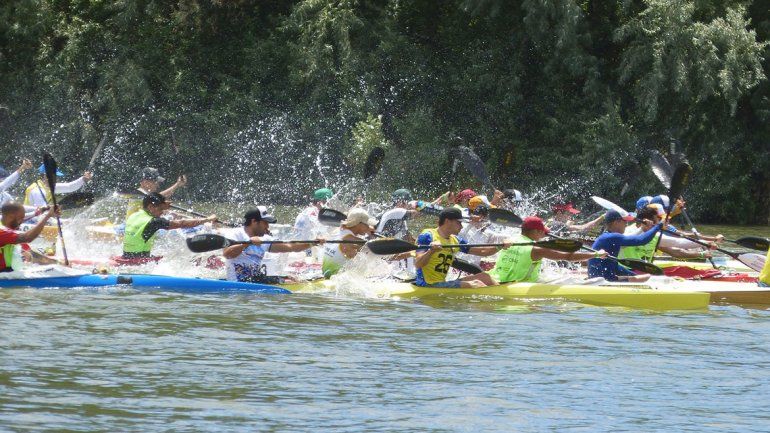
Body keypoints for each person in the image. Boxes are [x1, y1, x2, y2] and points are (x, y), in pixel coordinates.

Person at [487, 216, 606, 283]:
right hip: (518, 284)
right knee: (587, 281)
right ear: (535, 231)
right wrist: (596, 254)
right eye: (542, 232)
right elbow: (568, 256)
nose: (543, 235)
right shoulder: (537, 248)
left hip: (496, 279)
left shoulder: (509, 240)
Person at [224, 207, 323, 283]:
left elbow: (291, 247)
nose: (268, 226)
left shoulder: (265, 239)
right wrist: (247, 243)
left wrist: (313, 243)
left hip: (256, 279)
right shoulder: (235, 234)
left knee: (291, 279)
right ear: (254, 221)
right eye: (265, 223)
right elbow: (227, 254)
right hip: (238, 282)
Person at [414, 208, 502, 288]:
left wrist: (500, 246)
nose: (461, 226)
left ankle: (501, 292)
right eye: (459, 222)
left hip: (442, 282)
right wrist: (431, 251)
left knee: (484, 277)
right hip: (427, 285)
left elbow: (482, 251)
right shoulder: (427, 236)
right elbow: (418, 264)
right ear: (448, 221)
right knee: (476, 284)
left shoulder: (456, 240)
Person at [122, 193, 216, 259]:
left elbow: (152, 202)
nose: (162, 212)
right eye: (160, 209)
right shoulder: (154, 222)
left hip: (126, 256)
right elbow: (182, 223)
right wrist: (208, 219)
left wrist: (162, 205)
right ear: (150, 207)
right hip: (140, 261)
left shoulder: (134, 215)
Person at [620, 204, 716, 262]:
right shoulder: (628, 231)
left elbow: (679, 243)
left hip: (643, 272)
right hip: (625, 271)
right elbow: (623, 244)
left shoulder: (655, 235)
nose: (660, 224)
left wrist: (706, 243)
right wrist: (641, 229)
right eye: (658, 221)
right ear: (647, 221)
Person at [587, 210, 663, 282]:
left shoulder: (606, 237)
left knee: (645, 278)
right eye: (625, 221)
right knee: (650, 279)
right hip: (603, 281)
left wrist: (633, 275)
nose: (626, 224)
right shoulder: (611, 237)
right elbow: (642, 240)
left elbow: (614, 266)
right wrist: (658, 226)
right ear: (616, 222)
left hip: (604, 278)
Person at [0, 201, 60, 272]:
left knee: (28, 255)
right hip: (3, 274)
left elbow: (32, 254)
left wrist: (58, 263)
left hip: (7, 271)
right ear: (11, 217)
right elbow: (27, 238)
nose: (22, 221)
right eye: (21, 218)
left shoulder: (10, 231)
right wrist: (48, 216)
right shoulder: (3, 232)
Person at [322, 208, 375, 278]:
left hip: (325, 273)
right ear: (359, 224)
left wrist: (366, 229)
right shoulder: (353, 241)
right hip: (335, 278)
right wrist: (372, 236)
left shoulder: (337, 231)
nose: (369, 227)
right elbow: (373, 253)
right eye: (367, 224)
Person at [24, 164, 92, 207]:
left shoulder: (49, 187)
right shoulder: (37, 191)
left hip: (37, 218)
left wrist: (83, 179)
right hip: (29, 221)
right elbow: (40, 214)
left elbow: (69, 187)